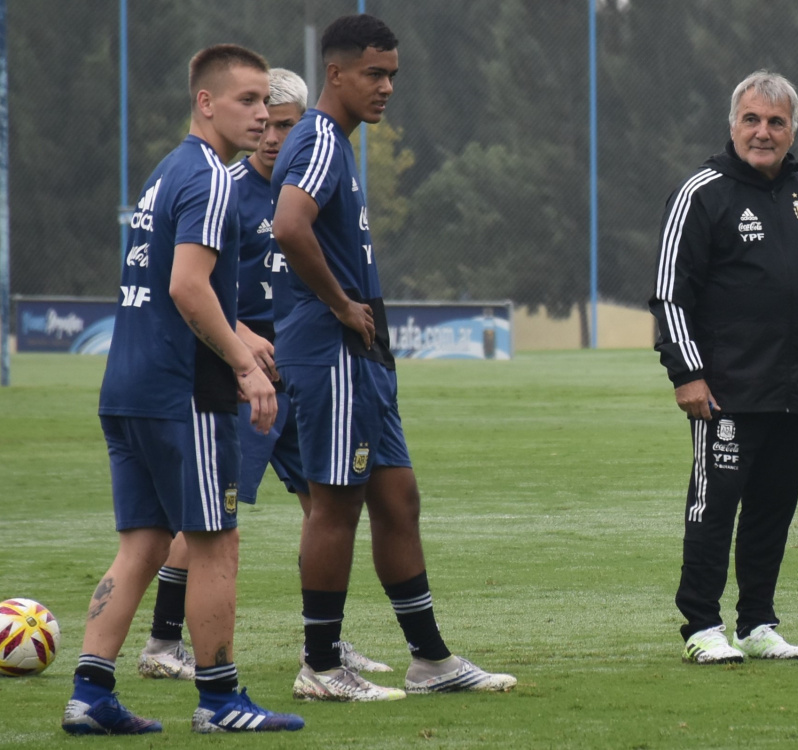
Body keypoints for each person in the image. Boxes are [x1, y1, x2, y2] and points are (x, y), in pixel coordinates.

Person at [270, 13, 516, 699]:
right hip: (334, 349)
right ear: (337, 73)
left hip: (361, 356)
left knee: (398, 499)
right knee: (335, 506)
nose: (386, 88)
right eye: (374, 74)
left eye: (393, 76)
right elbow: (290, 226)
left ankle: (430, 660)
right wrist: (344, 306)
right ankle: (320, 666)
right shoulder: (319, 138)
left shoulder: (337, 145)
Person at [62, 45, 304, 735]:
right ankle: (221, 700)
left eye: (266, 102)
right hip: (181, 396)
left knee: (141, 542)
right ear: (206, 103)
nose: (263, 115)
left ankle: (90, 693)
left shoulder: (168, 171)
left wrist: (238, 332)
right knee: (215, 541)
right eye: (249, 101)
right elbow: (185, 285)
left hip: (127, 387)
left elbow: (176, 285)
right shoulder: (213, 178)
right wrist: (247, 365)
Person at [135, 68, 390, 688]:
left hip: (303, 374)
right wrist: (243, 344)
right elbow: (188, 284)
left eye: (289, 125)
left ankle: (323, 643)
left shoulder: (317, 183)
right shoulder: (225, 190)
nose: (276, 138)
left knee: (323, 508)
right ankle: (164, 640)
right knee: (207, 518)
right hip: (241, 381)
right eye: (268, 125)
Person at [648, 70, 798, 664]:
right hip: (725, 392)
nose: (763, 132)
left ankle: (759, 623)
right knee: (715, 505)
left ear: (793, 130)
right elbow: (670, 293)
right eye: (752, 120)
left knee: (773, 509)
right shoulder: (701, 193)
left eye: (776, 122)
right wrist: (687, 374)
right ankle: (701, 627)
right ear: (733, 124)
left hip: (794, 388)